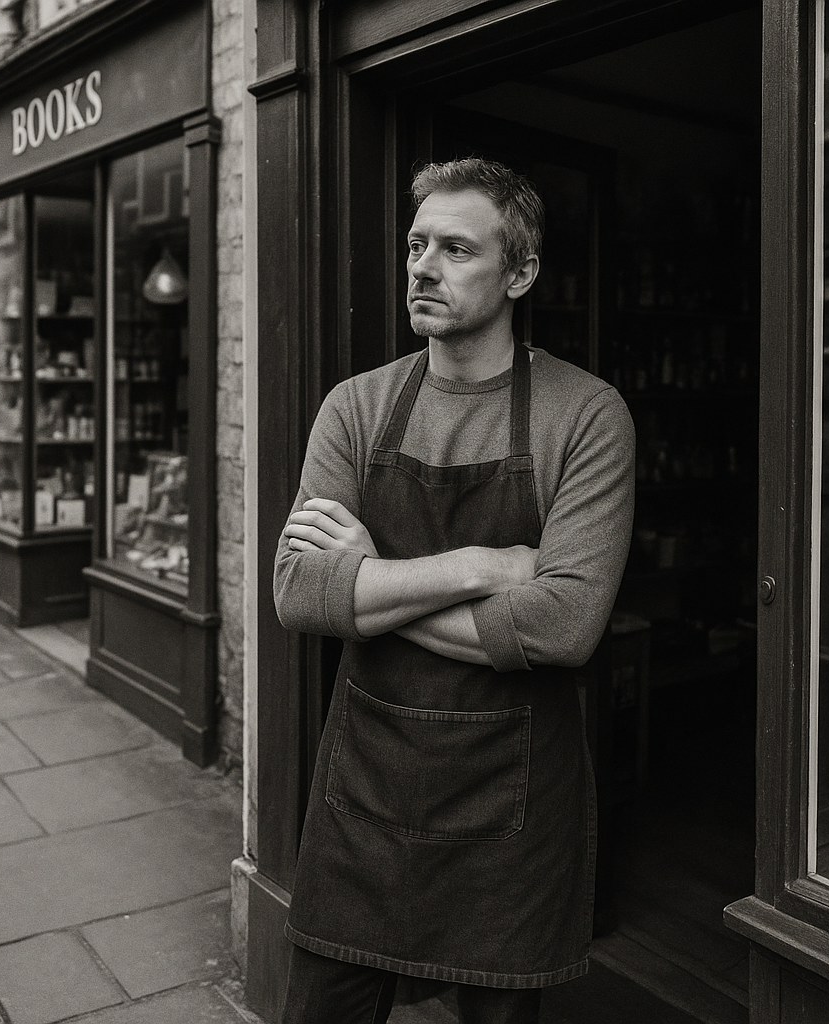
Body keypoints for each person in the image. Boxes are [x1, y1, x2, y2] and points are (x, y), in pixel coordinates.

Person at [273, 157, 635, 1024]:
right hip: (364, 791)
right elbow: (298, 595)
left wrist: (368, 584)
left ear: (520, 273)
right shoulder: (355, 409)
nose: (422, 267)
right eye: (416, 244)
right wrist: (485, 565)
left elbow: (564, 627)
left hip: (509, 809)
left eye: (457, 249)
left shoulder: (583, 415)